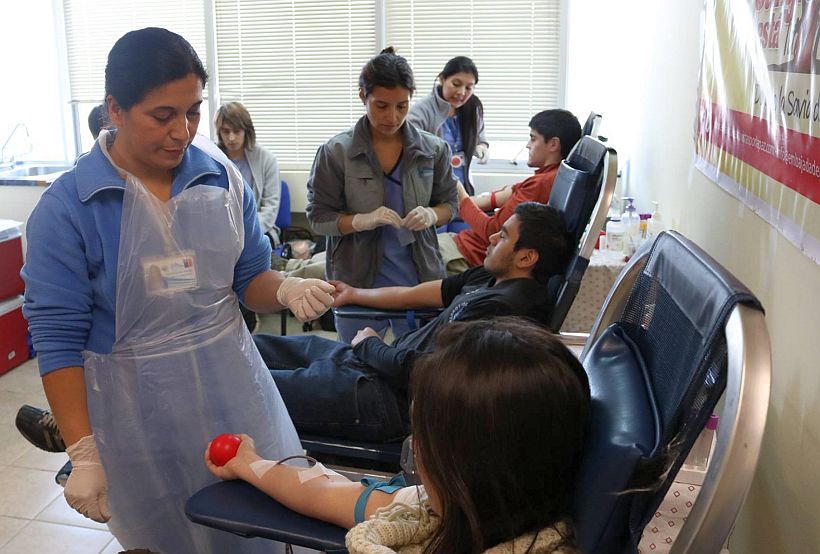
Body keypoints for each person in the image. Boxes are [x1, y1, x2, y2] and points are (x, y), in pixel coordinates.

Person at [20, 27, 333, 554]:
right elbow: (57, 340)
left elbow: (248, 279)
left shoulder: (218, 178)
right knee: (167, 536)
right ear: (114, 108)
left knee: (258, 527)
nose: (182, 132)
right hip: (134, 405)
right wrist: (85, 452)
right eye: (162, 116)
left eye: (192, 112)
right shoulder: (70, 208)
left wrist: (283, 290)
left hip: (233, 384)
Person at [207, 316, 591, 553]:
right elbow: (320, 490)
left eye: (419, 434)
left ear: (463, 465)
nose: (415, 449)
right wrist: (250, 463)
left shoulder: (435, 511)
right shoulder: (430, 509)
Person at [255, 202, 572, 442]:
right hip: (371, 365)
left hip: (386, 397)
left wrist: (370, 345)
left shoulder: (506, 312)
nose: (491, 237)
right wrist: (356, 294)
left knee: (252, 388)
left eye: (503, 236)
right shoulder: (493, 276)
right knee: (253, 348)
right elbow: (424, 293)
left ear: (527, 257)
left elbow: (426, 374)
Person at [307, 47, 459, 343]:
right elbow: (318, 218)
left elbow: (450, 205)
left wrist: (432, 214)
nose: (393, 117)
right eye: (381, 106)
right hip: (358, 279)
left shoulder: (433, 150)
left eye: (402, 106)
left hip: (418, 277)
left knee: (418, 364)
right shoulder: (337, 153)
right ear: (362, 95)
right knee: (357, 365)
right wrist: (359, 221)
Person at [439, 108, 583, 274]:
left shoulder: (541, 184)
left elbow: (492, 232)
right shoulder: (552, 176)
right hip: (462, 245)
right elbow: (508, 192)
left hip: (465, 254)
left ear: (553, 144)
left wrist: (460, 193)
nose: (528, 145)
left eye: (533, 139)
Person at [215, 101, 283, 332]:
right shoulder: (210, 159)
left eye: (237, 131)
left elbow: (271, 208)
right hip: (219, 236)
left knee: (241, 260)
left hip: (258, 232)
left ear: (247, 131)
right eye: (226, 131)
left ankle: (246, 318)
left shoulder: (266, 160)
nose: (231, 137)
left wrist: (243, 235)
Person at [407, 55, 488, 197]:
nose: (461, 92)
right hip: (432, 192)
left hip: (464, 189)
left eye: (469, 87)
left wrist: (482, 147)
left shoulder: (473, 108)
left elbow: (480, 139)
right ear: (442, 79)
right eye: (456, 84)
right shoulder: (421, 111)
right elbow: (411, 153)